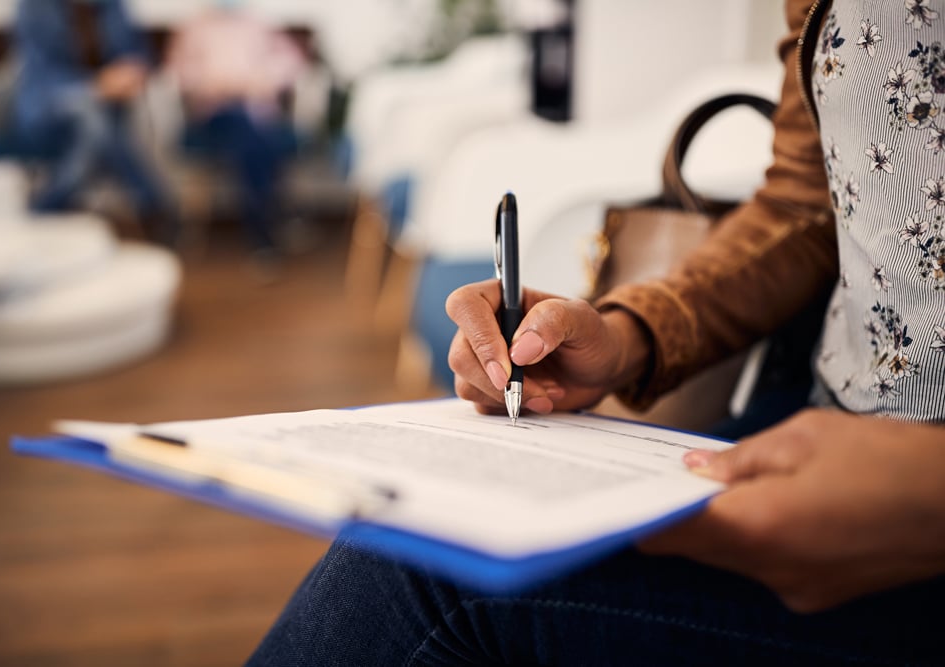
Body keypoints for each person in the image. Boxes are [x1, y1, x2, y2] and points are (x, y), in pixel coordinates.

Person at [246, 0, 945, 664]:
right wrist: (626, 333)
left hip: (899, 512)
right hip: (808, 427)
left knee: (426, 573)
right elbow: (804, 205)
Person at [9, 0, 178, 245]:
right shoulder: (35, 7)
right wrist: (95, 86)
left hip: (106, 111)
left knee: (97, 125)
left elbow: (138, 50)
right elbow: (41, 70)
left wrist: (132, 69)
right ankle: (153, 205)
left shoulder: (113, 6)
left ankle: (44, 211)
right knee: (94, 120)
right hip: (48, 106)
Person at [164, 0, 306, 259]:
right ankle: (270, 225)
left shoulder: (259, 24)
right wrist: (213, 84)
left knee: (253, 133)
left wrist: (262, 79)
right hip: (215, 115)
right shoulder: (196, 27)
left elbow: (291, 63)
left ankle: (262, 231)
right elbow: (179, 71)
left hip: (257, 113)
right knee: (250, 130)